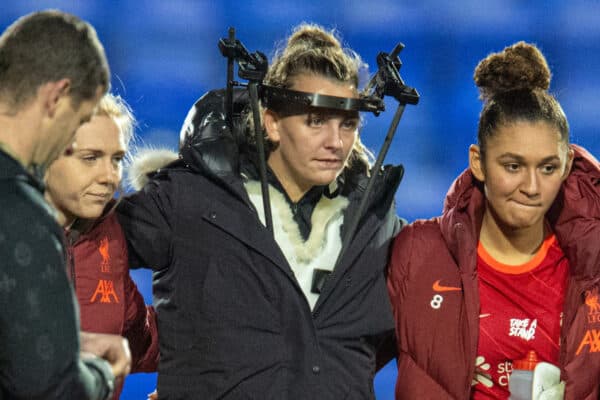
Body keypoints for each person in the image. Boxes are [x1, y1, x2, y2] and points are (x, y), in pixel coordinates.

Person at [118, 24, 404, 399]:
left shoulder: (377, 224)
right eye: (315, 121)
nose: (335, 142)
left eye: (348, 124)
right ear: (271, 122)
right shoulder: (189, 198)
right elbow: (83, 252)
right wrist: (144, 342)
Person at [387, 41, 600, 399]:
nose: (532, 187)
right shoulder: (417, 254)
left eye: (548, 168)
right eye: (513, 166)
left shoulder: (591, 267)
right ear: (478, 163)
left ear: (566, 166)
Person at [0, 10, 131, 400]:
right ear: (56, 97)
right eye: (81, 118)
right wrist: (97, 373)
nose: (71, 138)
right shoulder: (21, 215)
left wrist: (59, 347)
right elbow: (51, 391)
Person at [45, 93, 159, 399]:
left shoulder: (107, 233)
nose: (110, 177)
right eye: (91, 157)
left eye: (117, 159)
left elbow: (138, 337)